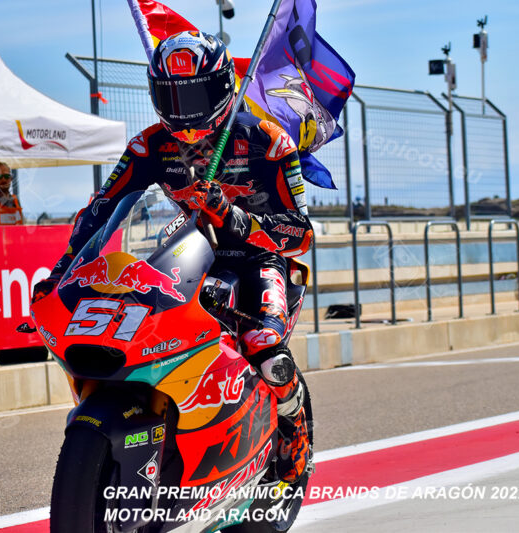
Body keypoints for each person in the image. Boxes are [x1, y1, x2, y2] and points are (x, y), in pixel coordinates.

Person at [33, 32, 313, 484]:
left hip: (257, 259)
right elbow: (102, 211)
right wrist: (61, 273)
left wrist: (231, 213)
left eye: (194, 94)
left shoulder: (269, 141)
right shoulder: (149, 147)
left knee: (264, 344)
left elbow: (299, 234)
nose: (182, 111)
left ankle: (292, 429)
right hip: (183, 258)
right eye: (170, 95)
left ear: (223, 88)